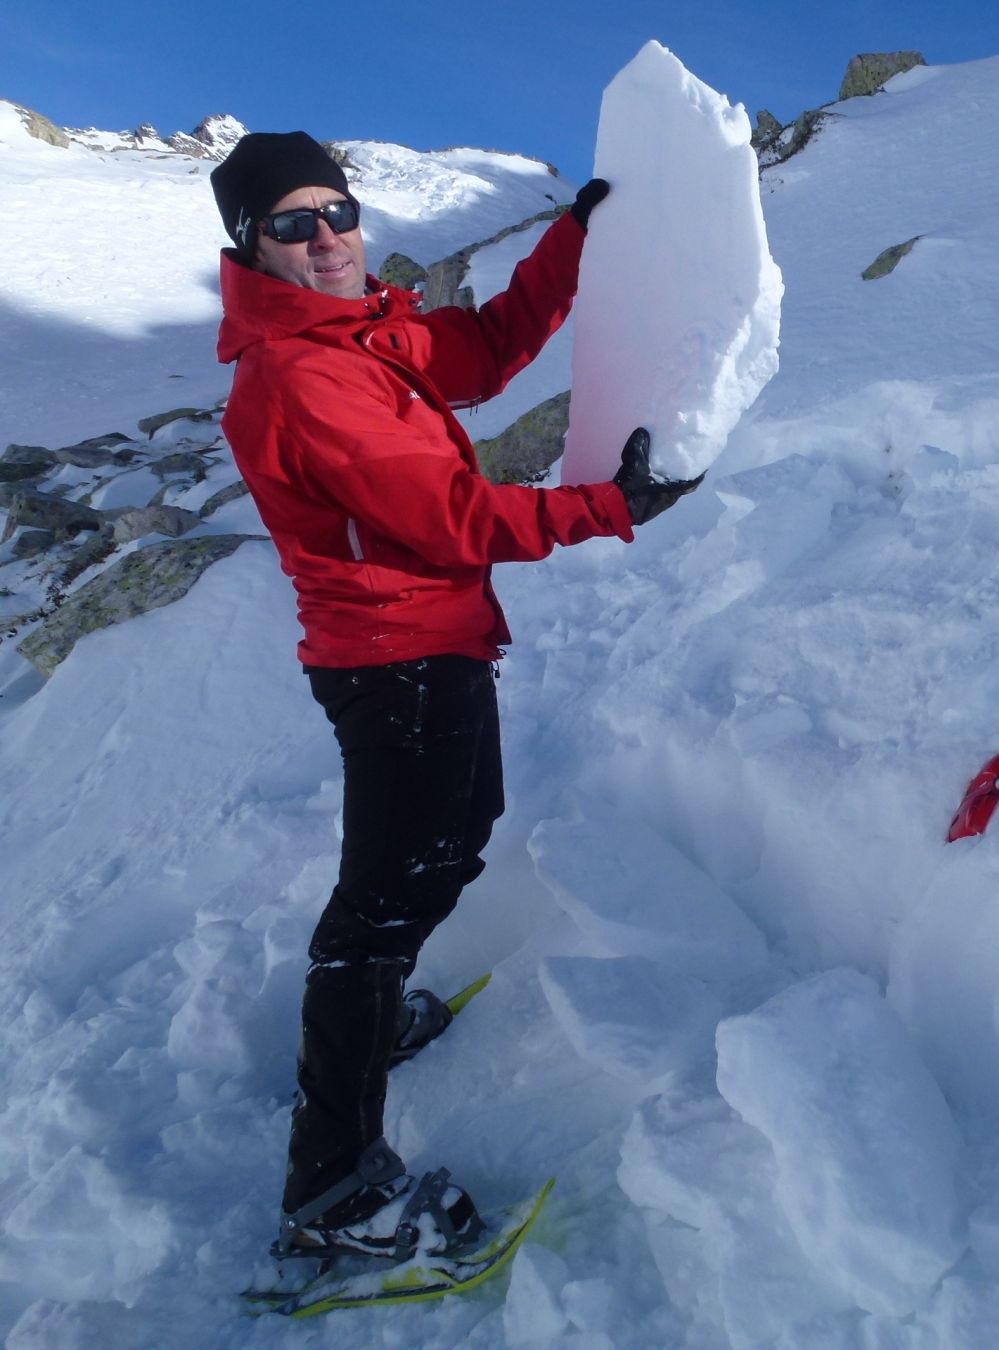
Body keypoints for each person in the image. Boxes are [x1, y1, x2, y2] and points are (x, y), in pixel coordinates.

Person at [209, 130, 700, 1262]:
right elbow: (448, 517)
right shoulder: (303, 373)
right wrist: (610, 506)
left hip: (432, 644)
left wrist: (574, 239)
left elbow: (481, 350)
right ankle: (331, 1190)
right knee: (384, 898)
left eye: (336, 211)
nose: (326, 237)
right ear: (253, 242)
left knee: (453, 834)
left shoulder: (360, 328)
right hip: (393, 661)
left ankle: (367, 1025)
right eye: (293, 223)